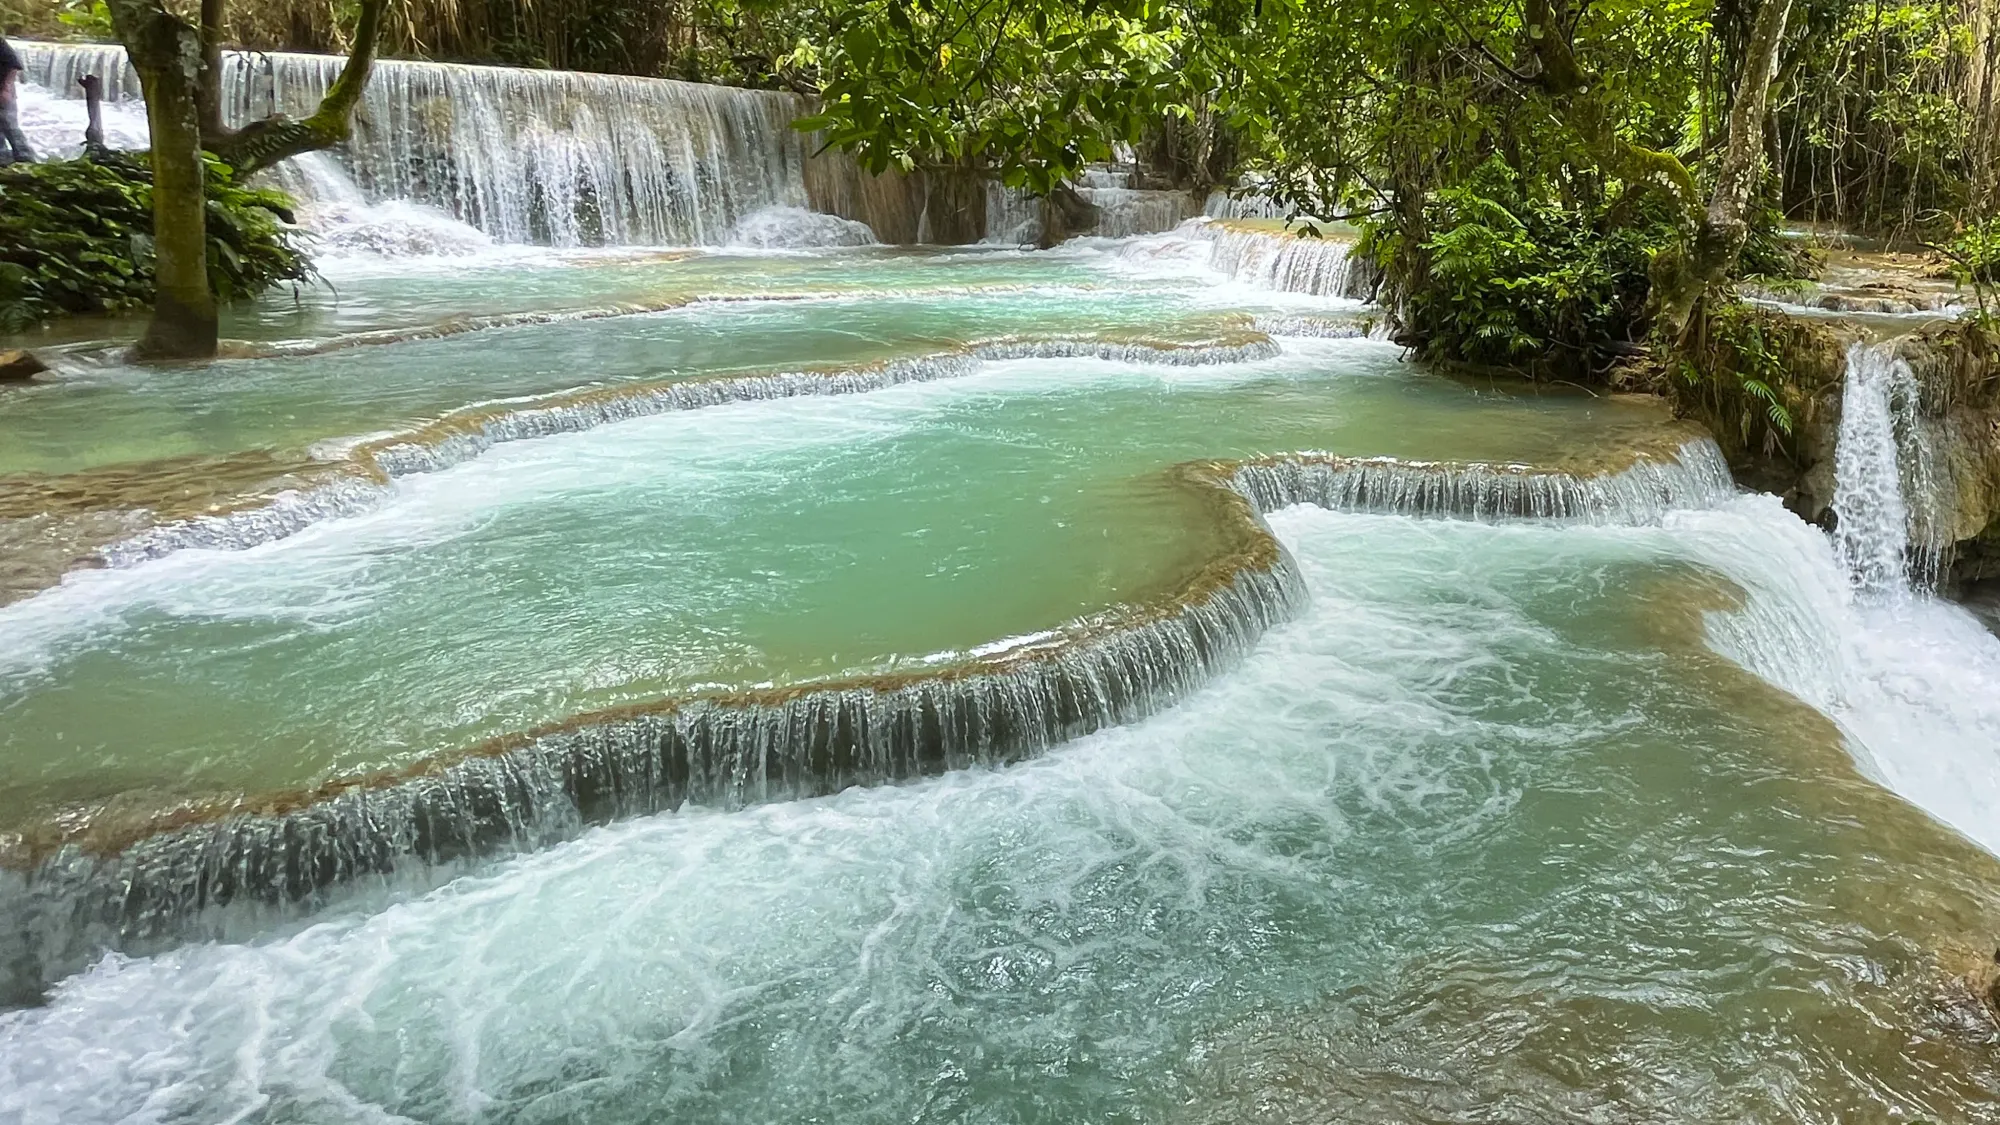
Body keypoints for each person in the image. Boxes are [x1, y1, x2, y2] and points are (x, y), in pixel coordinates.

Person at [0, 34, 35, 165]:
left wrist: (6, 88)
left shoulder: (1, 44)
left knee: (10, 127)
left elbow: (15, 65)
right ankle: (3, 162)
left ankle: (27, 161)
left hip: (3, 89)